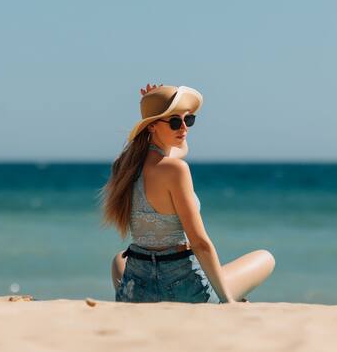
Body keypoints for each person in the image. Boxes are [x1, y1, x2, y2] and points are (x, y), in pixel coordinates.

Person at [98, 83, 275, 303]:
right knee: (265, 258)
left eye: (188, 119)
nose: (184, 128)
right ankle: (228, 297)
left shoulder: (124, 166)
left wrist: (152, 108)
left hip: (137, 289)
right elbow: (200, 243)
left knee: (118, 260)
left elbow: (180, 148)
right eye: (174, 122)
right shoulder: (176, 170)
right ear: (152, 126)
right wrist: (227, 301)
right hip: (183, 289)